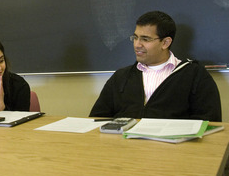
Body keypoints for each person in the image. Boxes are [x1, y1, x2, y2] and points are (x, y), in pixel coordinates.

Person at [89, 11, 222, 121]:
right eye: (135, 37)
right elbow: (97, 119)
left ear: (165, 42)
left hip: (173, 150)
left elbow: (209, 122)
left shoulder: (195, 75)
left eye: (145, 39)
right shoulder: (121, 77)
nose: (137, 44)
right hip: (126, 149)